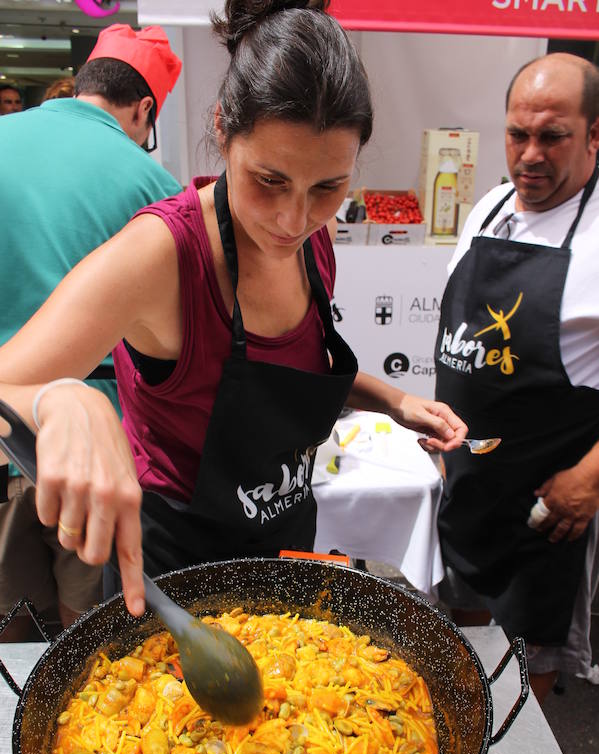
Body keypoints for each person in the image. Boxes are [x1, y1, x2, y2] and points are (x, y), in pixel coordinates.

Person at [0, 0, 467, 621]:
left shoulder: (313, 242)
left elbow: (284, 374)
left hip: (284, 548)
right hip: (175, 580)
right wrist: (60, 400)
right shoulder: (162, 253)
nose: (293, 219)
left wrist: (393, 401)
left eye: (327, 187)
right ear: (222, 128)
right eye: (269, 180)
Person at [0, 23, 182, 636]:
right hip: (95, 461)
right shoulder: (155, 190)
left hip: (4, 433)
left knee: (11, 626)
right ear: (144, 110)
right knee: (91, 641)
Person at [434, 52, 599, 703]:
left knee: (520, 694)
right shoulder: (489, 209)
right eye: (516, 134)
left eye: (551, 136)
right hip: (468, 492)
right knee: (462, 663)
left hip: (543, 516)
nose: (529, 154)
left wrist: (589, 476)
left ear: (592, 135)